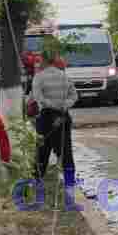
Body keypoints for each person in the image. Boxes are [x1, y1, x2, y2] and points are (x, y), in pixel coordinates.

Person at [31, 48, 78, 186]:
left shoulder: (39, 77)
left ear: (44, 60)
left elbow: (38, 98)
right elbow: (74, 96)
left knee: (42, 150)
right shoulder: (64, 76)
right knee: (65, 149)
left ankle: (37, 181)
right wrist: (64, 105)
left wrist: (52, 104)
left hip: (46, 117)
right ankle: (70, 181)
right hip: (63, 117)